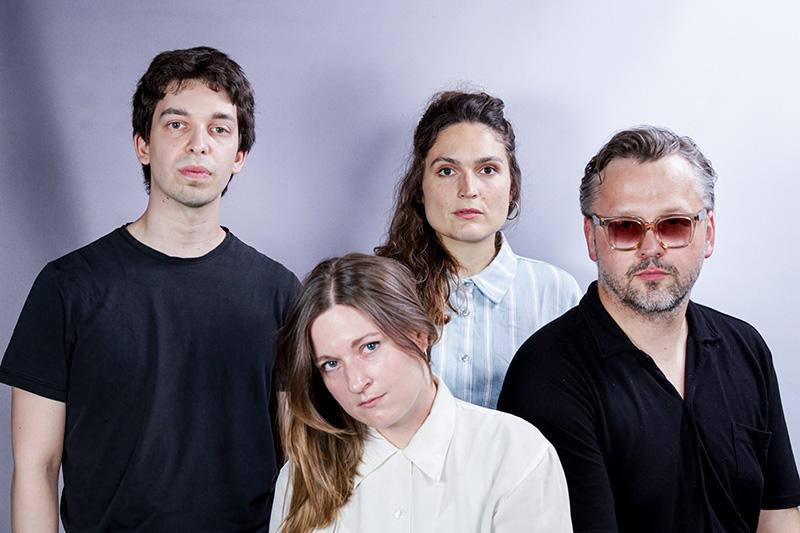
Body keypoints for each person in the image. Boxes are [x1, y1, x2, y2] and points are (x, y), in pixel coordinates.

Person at [0, 46, 299, 531]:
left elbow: (300, 466)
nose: (198, 144)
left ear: (239, 156)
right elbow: (36, 466)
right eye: (177, 124)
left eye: (219, 129)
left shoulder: (280, 294)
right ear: (143, 145)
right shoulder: (67, 287)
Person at [498, 126, 800, 532]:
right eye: (625, 226)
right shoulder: (545, 376)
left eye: (674, 224)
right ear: (592, 238)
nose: (651, 247)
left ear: (708, 233)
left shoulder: (746, 348)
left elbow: (777, 516)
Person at [270, 253, 571, 533]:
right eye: (331, 364)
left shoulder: (516, 453)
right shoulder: (303, 476)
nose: (356, 382)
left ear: (419, 334)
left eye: (369, 347)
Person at [375, 91, 581, 409]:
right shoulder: (378, 289)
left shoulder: (557, 293)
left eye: (487, 170)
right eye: (447, 171)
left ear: (512, 186)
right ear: (420, 187)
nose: (468, 190)